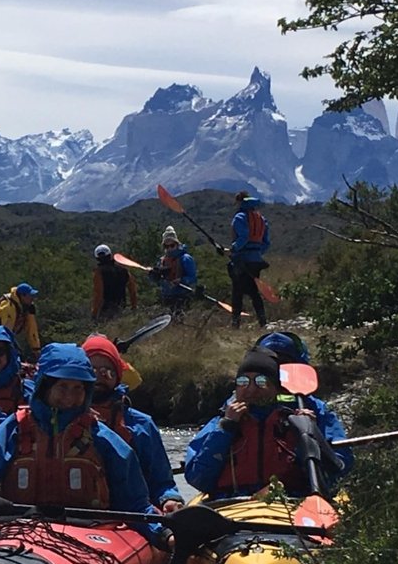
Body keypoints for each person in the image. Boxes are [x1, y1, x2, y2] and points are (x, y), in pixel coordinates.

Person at [0, 343, 168, 549]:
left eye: (78, 388)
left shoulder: (102, 438)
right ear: (45, 387)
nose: (70, 397)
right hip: (17, 528)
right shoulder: (15, 428)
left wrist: (163, 533)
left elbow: (136, 505)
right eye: (63, 387)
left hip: (90, 534)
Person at [184, 347, 353, 498]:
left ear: (275, 388)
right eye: (243, 381)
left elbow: (336, 474)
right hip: (232, 504)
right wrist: (226, 429)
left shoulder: (299, 418)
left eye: (261, 382)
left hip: (291, 501)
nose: (250, 389)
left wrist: (310, 434)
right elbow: (197, 479)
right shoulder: (220, 423)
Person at [82, 334, 183, 513]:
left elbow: (162, 482)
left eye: (107, 371)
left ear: (118, 376)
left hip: (131, 518)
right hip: (76, 517)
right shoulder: (61, 417)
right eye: (91, 370)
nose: (98, 377)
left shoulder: (141, 424)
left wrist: (170, 498)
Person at [224, 191, 270, 329]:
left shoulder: (240, 217)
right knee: (254, 292)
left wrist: (233, 249)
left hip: (242, 260)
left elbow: (243, 237)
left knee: (237, 292)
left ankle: (235, 323)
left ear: (240, 202)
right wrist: (257, 253)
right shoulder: (262, 219)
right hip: (256, 260)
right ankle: (262, 321)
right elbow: (266, 243)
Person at [0, 282, 42, 363]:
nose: (33, 298)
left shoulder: (28, 307)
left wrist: (36, 349)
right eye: (30, 296)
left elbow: (32, 329)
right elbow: (6, 331)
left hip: (6, 332)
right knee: (12, 355)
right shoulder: (9, 307)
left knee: (19, 354)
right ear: (22, 296)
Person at [149, 227, 198, 317]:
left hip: (182, 295)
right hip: (166, 296)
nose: (169, 249)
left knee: (180, 319)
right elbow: (155, 281)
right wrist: (153, 275)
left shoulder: (185, 259)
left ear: (177, 244)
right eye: (166, 246)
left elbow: (193, 277)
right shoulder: (162, 261)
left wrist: (181, 280)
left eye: (172, 245)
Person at [91, 245, 138, 319]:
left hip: (106, 311)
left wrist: (94, 314)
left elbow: (98, 295)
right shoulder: (123, 270)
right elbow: (133, 290)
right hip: (122, 307)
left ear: (97, 258)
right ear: (110, 255)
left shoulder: (99, 272)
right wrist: (134, 307)